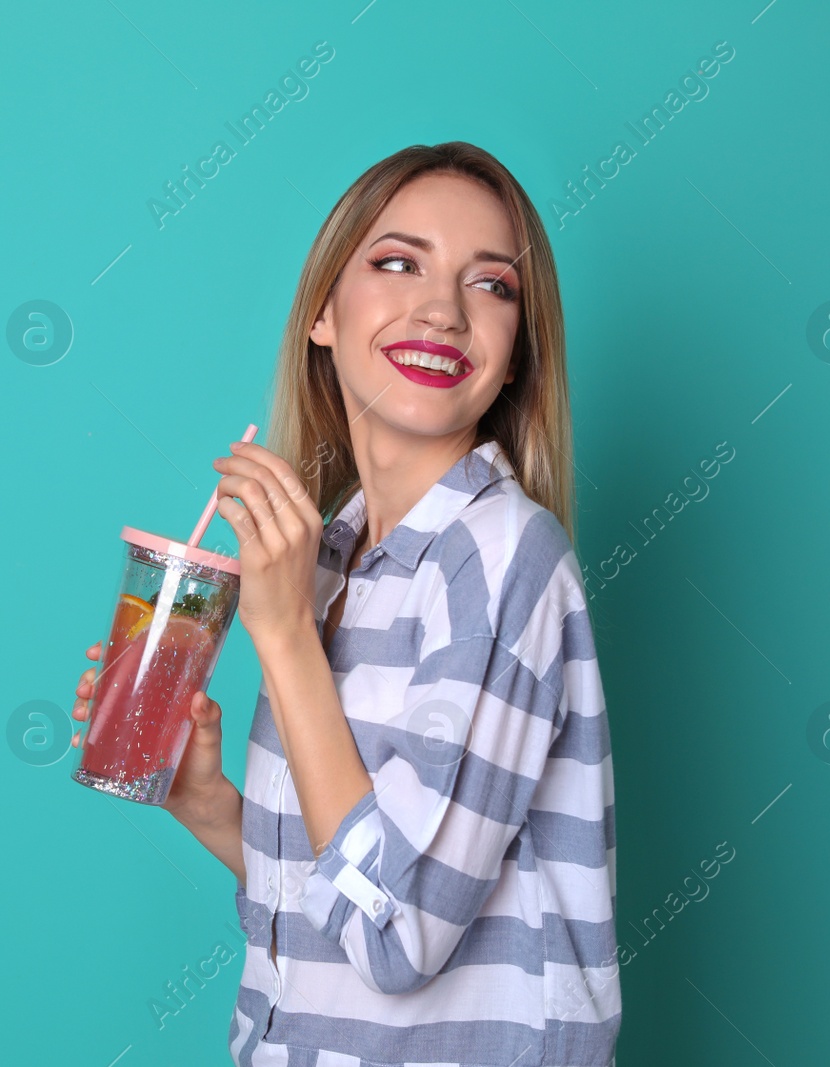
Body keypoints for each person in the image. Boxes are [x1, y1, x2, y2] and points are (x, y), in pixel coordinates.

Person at [71, 141, 619, 1067]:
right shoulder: (335, 555)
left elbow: (396, 936)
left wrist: (283, 638)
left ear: (518, 351)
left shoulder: (497, 560)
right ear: (322, 313)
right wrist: (207, 804)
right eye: (398, 262)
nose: (442, 309)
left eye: (491, 286)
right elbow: (345, 894)